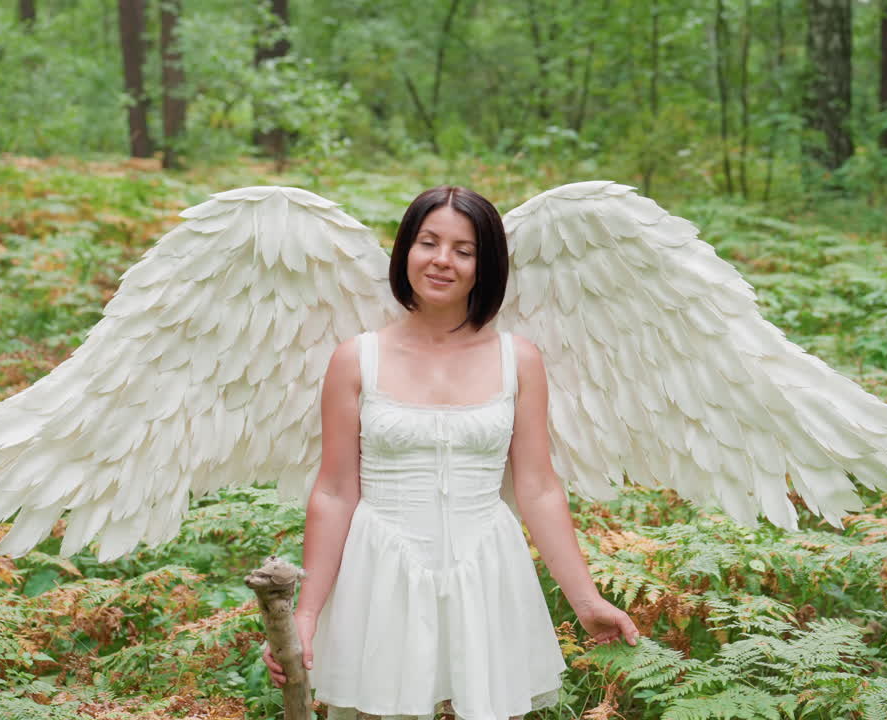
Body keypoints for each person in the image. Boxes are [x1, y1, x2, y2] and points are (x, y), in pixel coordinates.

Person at [263, 186, 639, 720]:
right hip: (382, 568)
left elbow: (537, 487)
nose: (442, 260)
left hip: (486, 566)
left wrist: (586, 601)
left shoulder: (519, 359)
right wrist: (306, 614)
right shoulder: (356, 359)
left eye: (464, 250)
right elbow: (335, 491)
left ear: (484, 266)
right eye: (428, 242)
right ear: (405, 252)